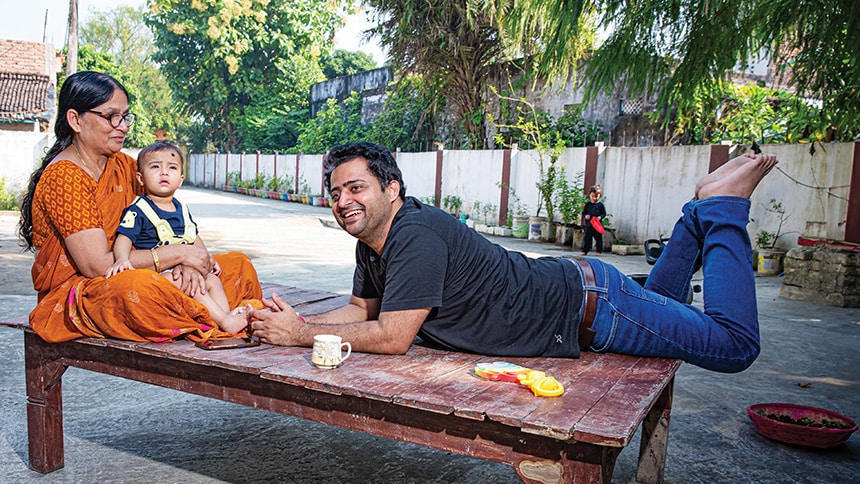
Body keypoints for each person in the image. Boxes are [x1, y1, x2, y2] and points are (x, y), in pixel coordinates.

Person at [250, 141, 775, 374]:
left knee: (733, 346)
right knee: (663, 304)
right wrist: (302, 322)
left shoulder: (415, 232)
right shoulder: (373, 240)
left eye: (356, 188)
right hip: (589, 293)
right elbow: (362, 312)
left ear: (392, 187)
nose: (343, 202)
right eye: (336, 193)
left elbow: (391, 337)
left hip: (595, 309)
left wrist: (299, 336)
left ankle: (725, 208)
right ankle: (698, 211)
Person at [18, 71, 262, 343]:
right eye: (111, 116)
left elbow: (170, 213)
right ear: (76, 120)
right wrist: (177, 255)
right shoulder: (64, 177)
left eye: (125, 117)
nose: (122, 126)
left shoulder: (123, 165)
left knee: (238, 265)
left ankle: (202, 309)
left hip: (154, 272)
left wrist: (194, 262)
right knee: (139, 291)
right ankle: (212, 313)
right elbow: (97, 266)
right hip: (88, 289)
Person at [106, 141, 249, 334]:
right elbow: (124, 237)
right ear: (140, 178)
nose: (164, 172)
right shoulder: (138, 208)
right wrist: (122, 258)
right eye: (155, 167)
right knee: (190, 283)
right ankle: (224, 320)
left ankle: (225, 316)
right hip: (162, 274)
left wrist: (207, 258)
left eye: (171, 168)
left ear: (181, 179)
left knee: (212, 281)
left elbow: (193, 236)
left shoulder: (181, 208)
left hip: (185, 269)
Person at [580, 184, 606, 255]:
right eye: (593, 196)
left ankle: (598, 251)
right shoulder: (588, 204)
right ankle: (585, 250)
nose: (594, 198)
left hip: (597, 224)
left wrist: (600, 217)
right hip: (589, 224)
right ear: (590, 195)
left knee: (598, 238)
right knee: (587, 238)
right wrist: (586, 216)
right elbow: (584, 212)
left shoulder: (600, 205)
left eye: (596, 196)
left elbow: (603, 213)